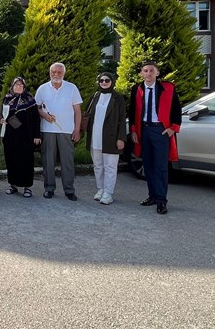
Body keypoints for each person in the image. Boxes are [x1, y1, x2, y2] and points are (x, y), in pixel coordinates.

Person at [129, 61, 182, 215]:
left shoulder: (168, 88)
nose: (148, 73)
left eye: (151, 70)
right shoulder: (137, 89)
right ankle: (152, 195)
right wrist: (133, 130)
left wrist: (173, 128)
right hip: (144, 129)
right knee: (148, 165)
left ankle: (161, 200)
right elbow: (132, 110)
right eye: (145, 71)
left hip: (161, 130)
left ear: (157, 73)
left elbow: (177, 109)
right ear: (141, 73)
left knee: (160, 166)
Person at [34, 62, 83, 201]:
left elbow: (77, 111)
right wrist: (45, 115)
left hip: (66, 130)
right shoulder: (42, 88)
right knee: (48, 161)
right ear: (50, 73)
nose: (56, 74)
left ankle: (69, 190)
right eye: (53, 72)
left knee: (67, 161)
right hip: (47, 130)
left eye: (59, 72)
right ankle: (49, 188)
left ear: (64, 73)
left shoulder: (72, 88)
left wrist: (77, 129)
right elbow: (36, 108)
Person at [85, 72, 128, 206]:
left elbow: (122, 119)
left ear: (112, 81)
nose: (104, 82)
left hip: (111, 138)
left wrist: (121, 138)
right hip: (95, 137)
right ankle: (100, 189)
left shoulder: (118, 98)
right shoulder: (95, 96)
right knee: (98, 166)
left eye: (107, 80)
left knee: (110, 167)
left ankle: (108, 192)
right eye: (101, 80)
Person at [0, 76, 41, 197]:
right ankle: (13, 185)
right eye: (16, 85)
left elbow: (36, 119)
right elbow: (4, 115)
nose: (18, 87)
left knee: (26, 161)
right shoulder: (7, 99)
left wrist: (37, 135)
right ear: (12, 86)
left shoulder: (30, 100)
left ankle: (27, 187)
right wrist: (2, 120)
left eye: (21, 85)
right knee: (12, 160)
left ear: (24, 87)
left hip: (26, 136)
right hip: (10, 136)